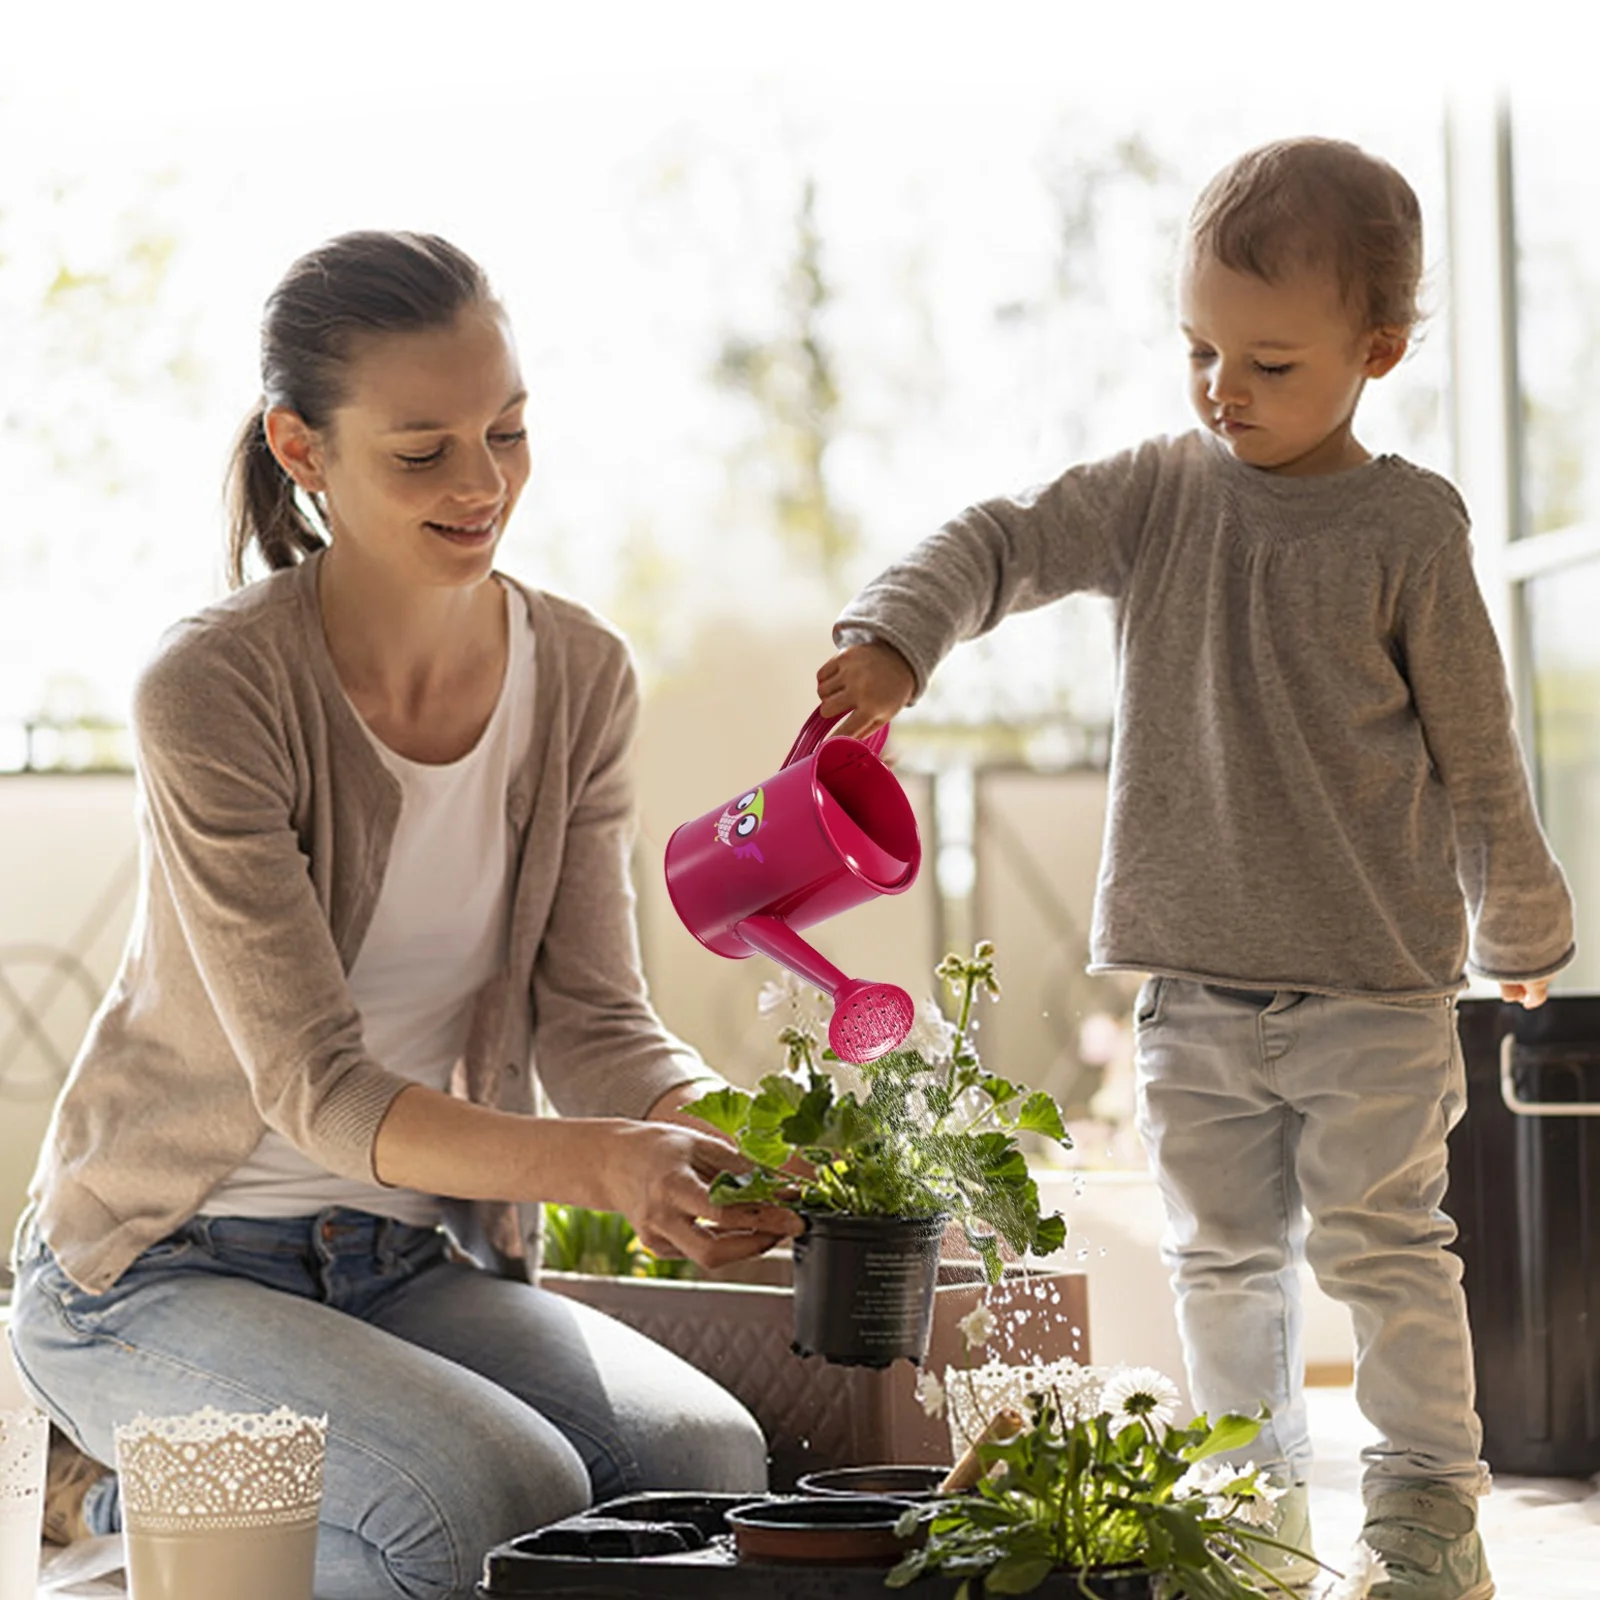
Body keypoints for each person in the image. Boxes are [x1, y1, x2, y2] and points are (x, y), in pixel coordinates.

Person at [813, 138, 1573, 1600]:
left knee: (1387, 1253)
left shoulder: (1408, 528)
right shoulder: (1162, 490)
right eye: (1200, 348)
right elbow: (1007, 537)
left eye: (1269, 362)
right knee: (1221, 1265)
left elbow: (1479, 751)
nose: (1224, 388)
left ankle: (1424, 1514)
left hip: (1375, 994)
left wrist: (1521, 915)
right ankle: (1248, 1505)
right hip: (1193, 997)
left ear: (1379, 351)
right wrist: (903, 632)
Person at [8, 230, 802, 1600]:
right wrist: (608, 1165)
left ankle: (175, 1499)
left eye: (507, 430)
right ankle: (123, 1495)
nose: (483, 483)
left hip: (393, 1258)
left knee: (708, 1468)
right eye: (423, 450)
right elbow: (316, 1088)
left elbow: (598, 1021)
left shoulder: (582, 676)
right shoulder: (213, 690)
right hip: (157, 1268)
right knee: (494, 1502)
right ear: (303, 451)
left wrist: (751, 1133)